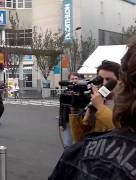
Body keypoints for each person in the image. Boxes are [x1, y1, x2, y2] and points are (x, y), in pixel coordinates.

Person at [49, 37, 136, 180]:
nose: (103, 84)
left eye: (109, 80)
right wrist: (77, 110)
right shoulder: (95, 102)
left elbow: (120, 131)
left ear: (121, 81)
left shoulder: (123, 106)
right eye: (100, 80)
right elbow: (80, 137)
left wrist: (100, 107)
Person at [58, 72, 79, 148]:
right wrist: (60, 124)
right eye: (72, 79)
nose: (74, 80)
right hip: (67, 121)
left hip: (80, 120)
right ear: (69, 80)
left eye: (76, 78)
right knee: (68, 144)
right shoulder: (65, 93)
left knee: (79, 143)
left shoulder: (83, 92)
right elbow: (61, 109)